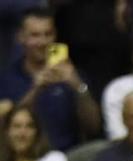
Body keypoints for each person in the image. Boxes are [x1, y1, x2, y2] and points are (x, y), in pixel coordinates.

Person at [0, 7, 100, 152]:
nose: (42, 42)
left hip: (66, 157)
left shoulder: (72, 75)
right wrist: (36, 90)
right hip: (22, 157)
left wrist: (78, 86)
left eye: (48, 34)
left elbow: (93, 127)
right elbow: (7, 128)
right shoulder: (6, 79)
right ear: (20, 37)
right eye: (35, 35)